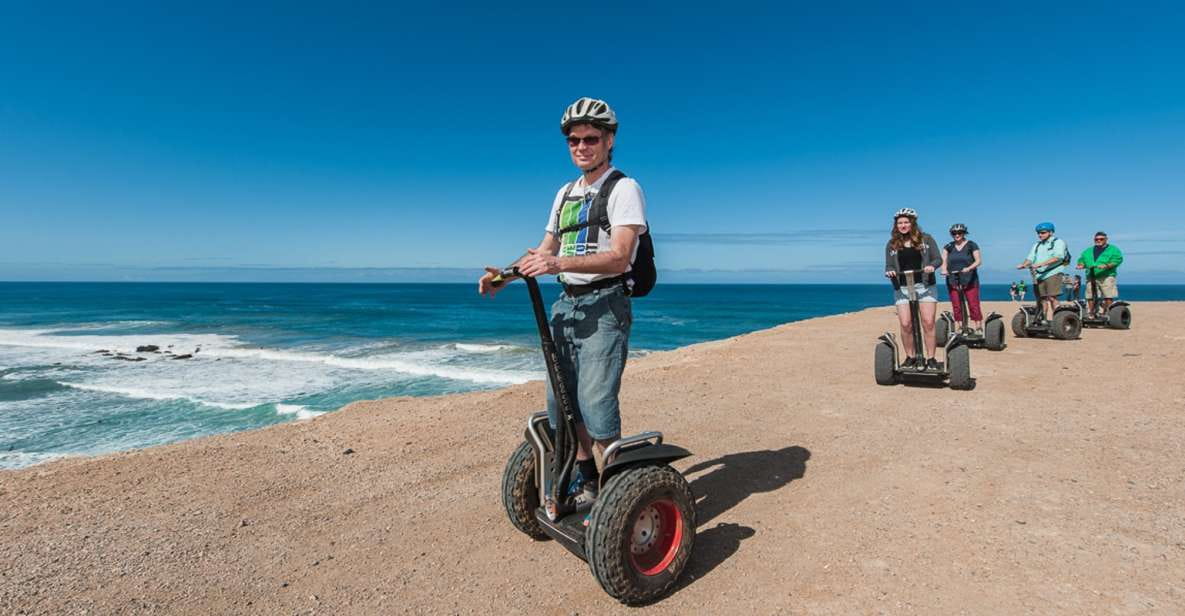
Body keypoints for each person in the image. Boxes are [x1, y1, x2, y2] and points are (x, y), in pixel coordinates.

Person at [478, 97, 646, 508]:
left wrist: (558, 263)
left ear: (609, 140)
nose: (581, 146)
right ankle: (589, 482)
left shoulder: (624, 188)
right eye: (574, 140)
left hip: (606, 306)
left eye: (591, 138)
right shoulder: (565, 193)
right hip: (566, 305)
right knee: (564, 404)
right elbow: (543, 248)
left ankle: (616, 494)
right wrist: (502, 276)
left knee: (595, 402)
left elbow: (621, 255)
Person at [883, 208, 943, 370]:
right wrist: (889, 270)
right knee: (905, 323)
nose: (903, 225)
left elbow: (938, 258)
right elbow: (889, 263)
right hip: (902, 287)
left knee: (928, 322)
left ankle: (930, 358)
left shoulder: (926, 239)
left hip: (925, 286)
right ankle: (910, 357)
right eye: (900, 223)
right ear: (896, 225)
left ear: (912, 223)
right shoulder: (892, 244)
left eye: (906, 222)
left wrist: (931, 266)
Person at [1017, 222, 1070, 322]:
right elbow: (1030, 258)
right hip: (1039, 275)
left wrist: (1041, 264)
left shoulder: (1058, 242)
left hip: (1053, 272)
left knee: (1052, 297)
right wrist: (1023, 264)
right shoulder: (1037, 245)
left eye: (1043, 233)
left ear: (1051, 232)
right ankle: (1043, 319)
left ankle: (1058, 320)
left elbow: (1058, 257)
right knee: (1042, 299)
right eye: (1038, 233)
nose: (1040, 235)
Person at [940, 223, 984, 333]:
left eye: (959, 233)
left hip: (970, 279)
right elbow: (944, 260)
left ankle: (978, 326)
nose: (957, 235)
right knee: (956, 304)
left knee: (973, 304)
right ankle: (959, 326)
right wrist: (944, 269)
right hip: (953, 279)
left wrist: (969, 268)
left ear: (964, 233)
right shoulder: (948, 247)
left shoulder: (971, 245)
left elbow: (978, 261)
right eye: (954, 233)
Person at [1076, 231, 1124, 314]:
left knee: (1108, 296)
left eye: (1101, 239)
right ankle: (1092, 312)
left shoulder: (1113, 250)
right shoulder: (1088, 251)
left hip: (1107, 276)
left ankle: (1108, 312)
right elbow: (1082, 260)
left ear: (1106, 239)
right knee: (1090, 296)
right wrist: (1081, 265)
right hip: (1091, 276)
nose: (1098, 241)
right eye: (1096, 239)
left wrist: (1107, 265)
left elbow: (1117, 260)